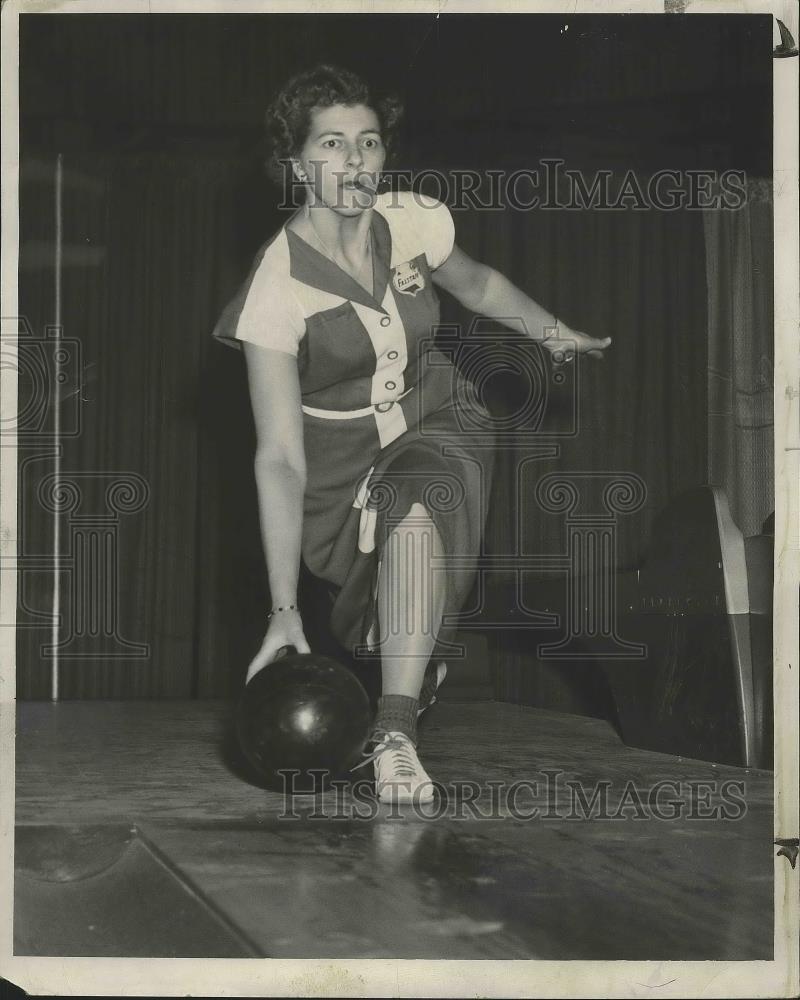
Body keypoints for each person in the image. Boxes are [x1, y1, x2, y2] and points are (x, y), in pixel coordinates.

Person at [212, 64, 611, 804]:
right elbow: (277, 458)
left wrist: (551, 331)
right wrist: (283, 611)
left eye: (368, 142)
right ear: (296, 163)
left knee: (421, 498)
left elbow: (478, 284)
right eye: (331, 144)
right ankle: (413, 655)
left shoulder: (413, 221)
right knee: (388, 588)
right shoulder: (274, 293)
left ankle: (395, 735)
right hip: (333, 465)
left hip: (438, 414)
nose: (354, 160)